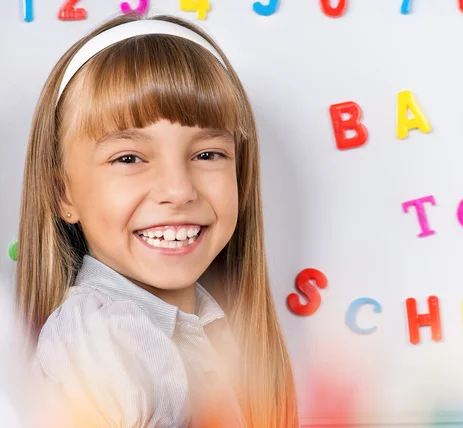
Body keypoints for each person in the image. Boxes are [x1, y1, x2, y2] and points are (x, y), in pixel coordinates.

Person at [15, 12, 298, 428]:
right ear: (64, 194)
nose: (179, 189)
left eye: (207, 154)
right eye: (128, 158)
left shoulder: (212, 326)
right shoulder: (104, 335)